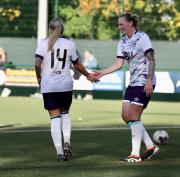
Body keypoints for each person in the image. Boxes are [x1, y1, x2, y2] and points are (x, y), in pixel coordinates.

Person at [95, 12, 159, 162]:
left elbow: (151, 59)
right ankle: (151, 146)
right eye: (118, 24)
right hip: (133, 82)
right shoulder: (122, 42)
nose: (119, 27)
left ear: (131, 23)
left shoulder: (142, 37)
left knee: (134, 116)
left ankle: (135, 154)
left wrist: (149, 79)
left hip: (144, 81)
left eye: (121, 24)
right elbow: (118, 64)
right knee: (126, 116)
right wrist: (102, 73)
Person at [35, 17, 98, 161]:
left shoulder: (43, 43)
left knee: (54, 118)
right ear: (62, 30)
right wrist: (88, 75)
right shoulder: (70, 44)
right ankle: (67, 141)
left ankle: (59, 153)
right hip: (65, 85)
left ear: (50, 29)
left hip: (49, 86)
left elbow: (37, 64)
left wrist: (39, 77)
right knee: (65, 113)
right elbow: (77, 65)